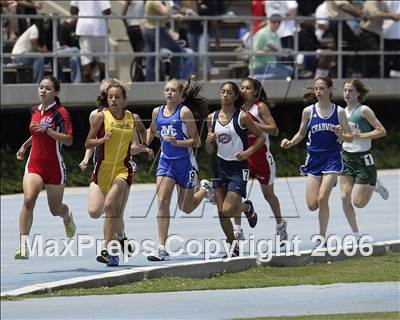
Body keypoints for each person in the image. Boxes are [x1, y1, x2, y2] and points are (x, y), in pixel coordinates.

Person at [79, 79, 153, 260]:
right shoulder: (99, 117)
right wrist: (99, 142)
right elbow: (88, 142)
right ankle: (121, 238)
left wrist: (144, 146)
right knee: (95, 212)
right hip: (102, 169)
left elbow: (141, 136)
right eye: (110, 96)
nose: (113, 100)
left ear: (124, 100)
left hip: (123, 169)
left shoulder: (132, 118)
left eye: (117, 97)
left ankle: (107, 250)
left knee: (112, 206)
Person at [146, 78, 215, 261]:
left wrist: (178, 142)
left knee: (186, 207)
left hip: (185, 163)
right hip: (165, 163)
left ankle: (205, 189)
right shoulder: (157, 112)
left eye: (174, 90)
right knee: (162, 202)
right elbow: (152, 130)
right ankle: (161, 247)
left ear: (181, 95)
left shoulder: (184, 112)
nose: (169, 93)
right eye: (167, 90)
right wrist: (144, 141)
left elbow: (197, 141)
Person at [280, 76, 352, 247]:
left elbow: (349, 138)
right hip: (313, 160)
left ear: (330, 90)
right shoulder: (308, 111)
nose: (318, 91)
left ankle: (322, 238)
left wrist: (341, 134)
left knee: (322, 199)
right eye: (316, 88)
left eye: (321, 88)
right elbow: (301, 133)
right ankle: (329, 183)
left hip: (332, 159)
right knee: (312, 205)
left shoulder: (339, 112)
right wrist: (290, 142)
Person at [15, 76, 75, 259]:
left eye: (48, 88)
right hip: (35, 164)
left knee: (55, 209)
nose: (43, 91)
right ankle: (23, 245)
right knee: (28, 199)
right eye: (41, 87)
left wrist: (47, 130)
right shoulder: (34, 109)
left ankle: (67, 217)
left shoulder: (61, 113)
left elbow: (69, 140)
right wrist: (25, 146)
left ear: (56, 92)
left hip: (54, 167)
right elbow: (36, 134)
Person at [206, 81, 265, 256]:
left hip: (238, 167)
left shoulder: (243, 117)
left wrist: (248, 152)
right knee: (221, 211)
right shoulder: (212, 118)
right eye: (222, 92)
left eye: (229, 92)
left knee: (228, 209)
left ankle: (246, 207)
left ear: (235, 96)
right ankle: (233, 247)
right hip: (219, 166)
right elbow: (209, 150)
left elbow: (261, 137)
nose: (225, 95)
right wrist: (209, 142)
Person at [232, 78, 287, 242]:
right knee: (235, 195)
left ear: (255, 91)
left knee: (268, 195)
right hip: (242, 156)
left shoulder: (259, 107)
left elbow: (274, 130)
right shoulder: (236, 108)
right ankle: (238, 230)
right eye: (241, 88)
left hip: (261, 156)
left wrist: (253, 124)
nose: (244, 91)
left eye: (248, 88)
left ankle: (280, 225)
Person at [339, 79, 388, 240]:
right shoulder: (341, 113)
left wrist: (361, 136)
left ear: (358, 93)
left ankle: (375, 184)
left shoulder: (364, 110)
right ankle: (356, 234)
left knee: (358, 203)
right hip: (346, 158)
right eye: (345, 90)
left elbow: (381, 131)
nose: (347, 93)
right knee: (344, 197)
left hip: (363, 159)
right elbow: (344, 137)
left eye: (350, 90)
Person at [143, 1, 185, 81]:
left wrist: (175, 16)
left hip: (149, 30)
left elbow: (163, 16)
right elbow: (166, 13)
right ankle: (174, 79)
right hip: (156, 31)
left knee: (151, 57)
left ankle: (149, 81)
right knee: (177, 50)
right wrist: (167, 2)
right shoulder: (156, 2)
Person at [70, 0, 111, 82]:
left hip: (84, 27)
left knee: (86, 56)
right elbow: (107, 10)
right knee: (102, 56)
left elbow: (72, 10)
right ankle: (103, 80)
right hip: (98, 27)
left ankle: (86, 81)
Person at [251, 13, 293, 80]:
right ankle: (256, 78)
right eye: (274, 22)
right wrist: (267, 51)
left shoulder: (276, 35)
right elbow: (254, 52)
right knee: (284, 74)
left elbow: (278, 51)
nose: (277, 24)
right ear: (269, 22)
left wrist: (285, 51)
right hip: (260, 65)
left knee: (290, 70)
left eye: (279, 22)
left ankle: (262, 77)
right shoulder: (262, 34)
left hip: (272, 64)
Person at [122, 0, 145, 81]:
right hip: (140, 28)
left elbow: (122, 14)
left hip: (131, 28)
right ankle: (138, 77)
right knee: (141, 53)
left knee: (137, 53)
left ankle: (138, 76)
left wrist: (127, 27)